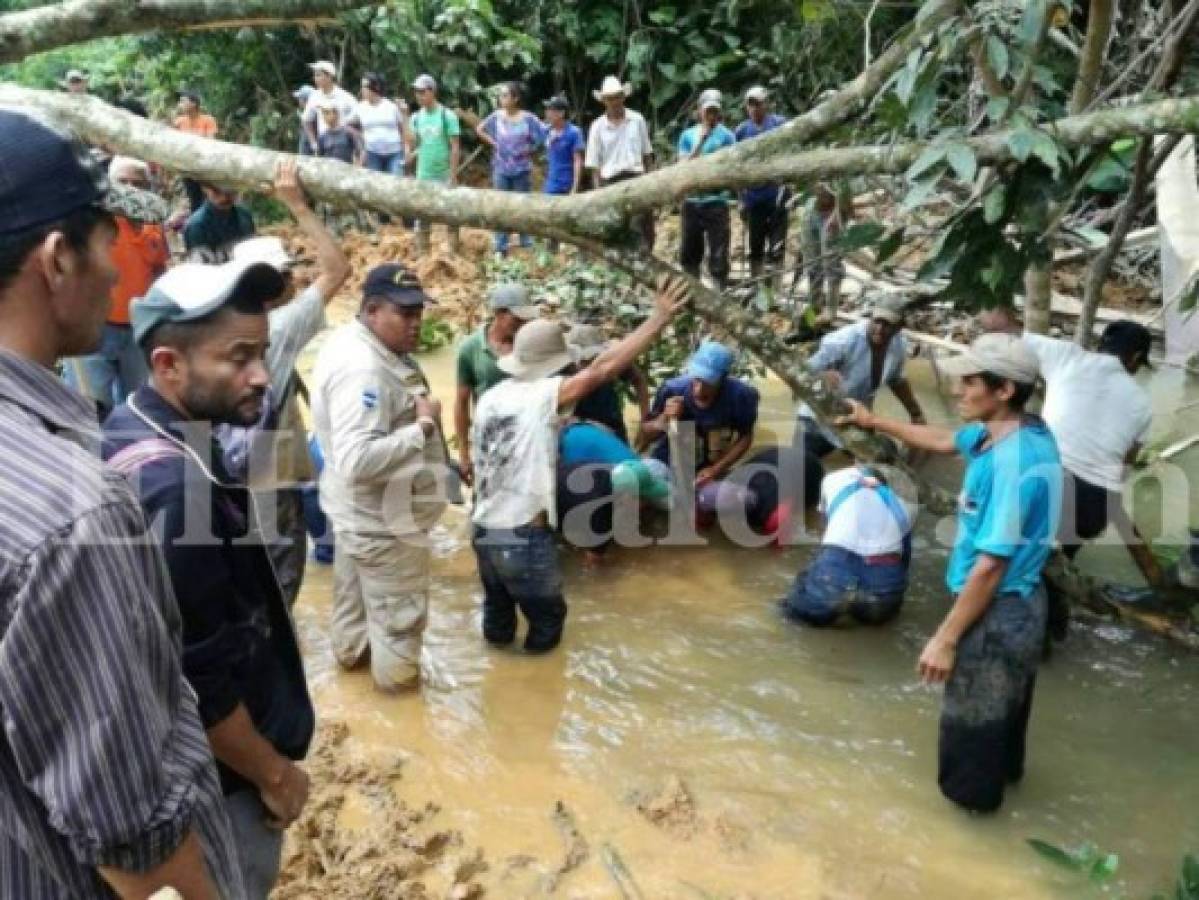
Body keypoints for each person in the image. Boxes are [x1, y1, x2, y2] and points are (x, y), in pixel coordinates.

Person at [0, 105, 242, 900]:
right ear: (57, 258)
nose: (118, 270)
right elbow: (139, 849)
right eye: (108, 241)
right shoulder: (73, 516)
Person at [107, 259, 316, 898]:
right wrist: (276, 775)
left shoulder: (130, 429)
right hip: (222, 786)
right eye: (239, 358)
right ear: (169, 364)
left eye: (263, 353)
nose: (261, 375)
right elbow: (197, 680)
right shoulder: (174, 485)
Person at [838, 333, 1060, 813]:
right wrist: (873, 420)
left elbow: (990, 565)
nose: (958, 390)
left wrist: (946, 637)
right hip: (1023, 604)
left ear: (1004, 391)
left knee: (972, 734)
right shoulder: (1008, 432)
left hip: (997, 612)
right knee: (1004, 722)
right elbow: (942, 439)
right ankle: (1003, 794)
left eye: (971, 382)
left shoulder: (1015, 462)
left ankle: (974, 831)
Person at [471, 276, 691, 652]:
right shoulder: (543, 395)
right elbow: (603, 369)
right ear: (555, 366)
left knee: (498, 620)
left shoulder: (492, 398)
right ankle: (534, 701)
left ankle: (497, 692)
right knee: (547, 624)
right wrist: (658, 318)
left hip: (482, 530)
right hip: (522, 534)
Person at [311, 264, 450, 691]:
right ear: (372, 310)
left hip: (357, 516)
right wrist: (422, 429)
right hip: (385, 525)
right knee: (400, 629)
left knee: (354, 613)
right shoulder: (364, 370)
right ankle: (401, 716)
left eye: (419, 313)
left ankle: (350, 681)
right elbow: (358, 459)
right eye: (404, 314)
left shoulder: (350, 340)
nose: (416, 324)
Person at [222, 159, 350, 609]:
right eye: (287, 274)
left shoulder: (216, 323)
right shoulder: (277, 326)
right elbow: (337, 271)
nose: (296, 280)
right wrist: (297, 205)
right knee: (278, 571)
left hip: (230, 463)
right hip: (267, 468)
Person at [1017, 322, 1163, 587]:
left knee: (1015, 554)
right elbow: (1126, 463)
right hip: (1094, 506)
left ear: (1101, 345)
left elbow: (1009, 334)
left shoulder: (1067, 357)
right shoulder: (1143, 405)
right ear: (1135, 357)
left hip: (1046, 483)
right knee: (1054, 566)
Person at [62, 155, 169, 419]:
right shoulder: (93, 222)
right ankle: (87, 460)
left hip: (137, 329)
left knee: (139, 406)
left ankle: (127, 459)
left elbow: (159, 269)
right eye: (123, 182)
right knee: (89, 407)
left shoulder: (152, 222)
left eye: (138, 183)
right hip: (94, 326)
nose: (131, 189)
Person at [637, 340, 759, 522]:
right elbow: (645, 433)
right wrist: (664, 417)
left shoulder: (742, 396)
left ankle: (693, 506)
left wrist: (716, 469)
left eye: (708, 382)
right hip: (666, 466)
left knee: (744, 500)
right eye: (696, 379)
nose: (699, 389)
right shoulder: (672, 389)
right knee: (632, 477)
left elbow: (745, 437)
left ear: (723, 378)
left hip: (705, 474)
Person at [794, 294, 925, 460]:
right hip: (820, 417)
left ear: (899, 327)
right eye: (876, 321)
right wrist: (820, 376)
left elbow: (896, 380)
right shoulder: (842, 342)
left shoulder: (898, 345)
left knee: (882, 462)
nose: (879, 328)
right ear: (870, 318)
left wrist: (916, 414)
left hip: (859, 416)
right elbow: (801, 373)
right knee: (799, 469)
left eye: (887, 325)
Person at [781, 465, 913, 626]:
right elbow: (905, 560)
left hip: (835, 569)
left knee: (795, 613)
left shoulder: (833, 479)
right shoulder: (903, 505)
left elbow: (825, 531)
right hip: (884, 579)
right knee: (879, 620)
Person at [454, 282, 540, 485]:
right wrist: (464, 455)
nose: (522, 322)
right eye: (516, 317)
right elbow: (461, 403)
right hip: (488, 441)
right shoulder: (470, 348)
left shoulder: (530, 343)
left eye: (525, 318)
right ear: (499, 314)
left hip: (526, 438)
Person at [477, 81, 547, 256]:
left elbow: (543, 134)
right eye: (501, 96)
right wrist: (494, 143)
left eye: (505, 95)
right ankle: (501, 244)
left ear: (516, 98)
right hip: (501, 168)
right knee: (501, 205)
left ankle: (526, 240)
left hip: (522, 168)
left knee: (522, 204)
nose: (501, 99)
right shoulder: (497, 117)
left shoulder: (528, 118)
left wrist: (531, 149)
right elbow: (480, 129)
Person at [585, 75, 655, 250]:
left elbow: (647, 154)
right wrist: (599, 193)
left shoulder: (637, 120)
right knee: (617, 228)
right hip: (611, 181)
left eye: (617, 97)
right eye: (610, 98)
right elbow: (595, 166)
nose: (614, 102)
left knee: (641, 228)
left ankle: (644, 264)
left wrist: (652, 182)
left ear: (623, 97)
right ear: (604, 101)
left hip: (637, 178)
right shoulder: (597, 126)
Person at [678, 89, 736, 289]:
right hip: (692, 201)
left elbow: (731, 168)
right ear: (700, 111)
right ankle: (691, 295)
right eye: (707, 111)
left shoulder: (728, 136)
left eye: (714, 111)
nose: (711, 115)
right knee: (689, 253)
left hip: (716, 201)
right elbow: (683, 166)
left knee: (719, 255)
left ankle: (719, 293)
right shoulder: (688, 135)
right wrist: (701, 141)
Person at [735, 86, 789, 282]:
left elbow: (791, 153)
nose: (755, 108)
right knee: (755, 246)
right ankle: (757, 287)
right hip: (754, 197)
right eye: (751, 104)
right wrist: (741, 199)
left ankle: (775, 289)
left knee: (777, 245)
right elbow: (736, 167)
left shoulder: (779, 124)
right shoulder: (742, 131)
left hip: (777, 195)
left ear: (766, 104)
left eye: (758, 103)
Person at [566, 322, 649, 444]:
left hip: (611, 424)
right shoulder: (564, 368)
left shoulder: (609, 363)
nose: (588, 361)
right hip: (577, 431)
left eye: (593, 357)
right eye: (584, 359)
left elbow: (638, 380)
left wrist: (645, 421)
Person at [407, 73, 462, 254]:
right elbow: (416, 143)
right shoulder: (416, 118)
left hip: (444, 173)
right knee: (422, 215)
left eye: (422, 92)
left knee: (451, 214)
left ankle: (452, 251)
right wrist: (411, 155)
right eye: (417, 92)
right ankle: (423, 253)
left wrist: (453, 176)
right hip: (423, 174)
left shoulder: (447, 116)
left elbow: (455, 147)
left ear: (432, 92)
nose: (419, 96)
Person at [802, 182, 849, 319]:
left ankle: (831, 309)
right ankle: (814, 305)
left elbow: (846, 193)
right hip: (813, 208)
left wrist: (837, 214)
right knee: (811, 263)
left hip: (833, 211)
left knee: (831, 263)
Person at [350, 72, 408, 175]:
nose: (362, 90)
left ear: (375, 87)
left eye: (365, 86)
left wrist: (405, 150)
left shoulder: (391, 106)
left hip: (394, 152)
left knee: (395, 182)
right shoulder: (360, 108)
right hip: (372, 153)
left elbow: (402, 129)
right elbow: (347, 125)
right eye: (362, 86)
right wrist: (360, 135)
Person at [183, 182, 255, 261]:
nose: (224, 198)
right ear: (205, 189)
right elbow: (201, 268)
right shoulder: (196, 226)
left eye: (229, 192)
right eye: (217, 191)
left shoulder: (245, 216)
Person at [174, 88, 219, 212]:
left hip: (204, 166)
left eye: (183, 101)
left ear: (193, 104)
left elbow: (211, 141)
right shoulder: (179, 122)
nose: (180, 104)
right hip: (186, 166)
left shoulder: (208, 120)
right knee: (193, 197)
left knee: (209, 195)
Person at [301, 60, 357, 154]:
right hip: (324, 142)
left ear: (329, 76)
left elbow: (358, 118)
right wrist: (313, 142)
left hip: (343, 143)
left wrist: (345, 127)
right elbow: (306, 120)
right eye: (315, 75)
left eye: (319, 75)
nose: (315, 78)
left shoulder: (346, 97)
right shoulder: (314, 97)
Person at [294, 84, 316, 155]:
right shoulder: (304, 112)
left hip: (308, 148)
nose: (298, 100)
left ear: (306, 100)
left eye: (300, 98)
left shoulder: (312, 115)